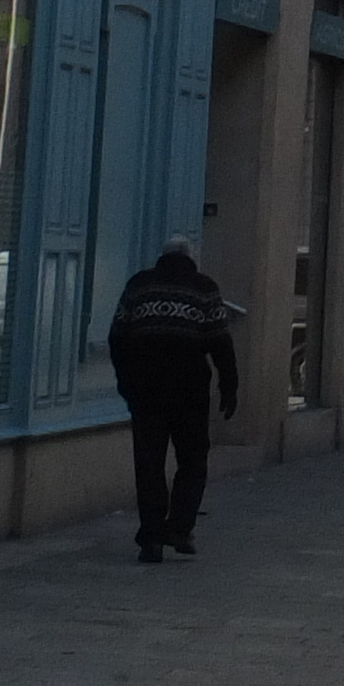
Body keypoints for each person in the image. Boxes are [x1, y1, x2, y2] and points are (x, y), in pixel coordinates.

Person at [105, 237, 236, 563]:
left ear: (162, 257)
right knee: (193, 460)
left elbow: (117, 336)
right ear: (191, 259)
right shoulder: (204, 288)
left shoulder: (139, 285)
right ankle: (178, 527)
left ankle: (151, 538)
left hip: (145, 392)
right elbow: (220, 342)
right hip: (189, 393)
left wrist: (125, 381)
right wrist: (230, 387)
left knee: (149, 464)